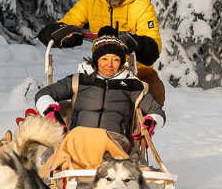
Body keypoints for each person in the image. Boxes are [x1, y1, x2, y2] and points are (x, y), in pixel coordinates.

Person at [25, 33, 164, 178]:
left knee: (92, 141)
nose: (109, 64)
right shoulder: (79, 80)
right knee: (65, 143)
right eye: (104, 58)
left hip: (113, 141)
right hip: (79, 140)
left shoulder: (132, 85)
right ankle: (57, 174)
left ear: (121, 62)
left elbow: (157, 111)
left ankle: (121, 171)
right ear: (96, 60)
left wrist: (151, 122)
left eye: (115, 59)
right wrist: (50, 112)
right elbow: (44, 94)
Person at [39, 0, 166, 106]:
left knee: (155, 93)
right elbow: (65, 24)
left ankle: (144, 126)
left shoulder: (142, 6)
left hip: (136, 70)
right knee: (76, 97)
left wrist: (137, 43)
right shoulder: (91, 1)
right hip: (100, 66)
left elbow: (154, 48)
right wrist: (59, 34)